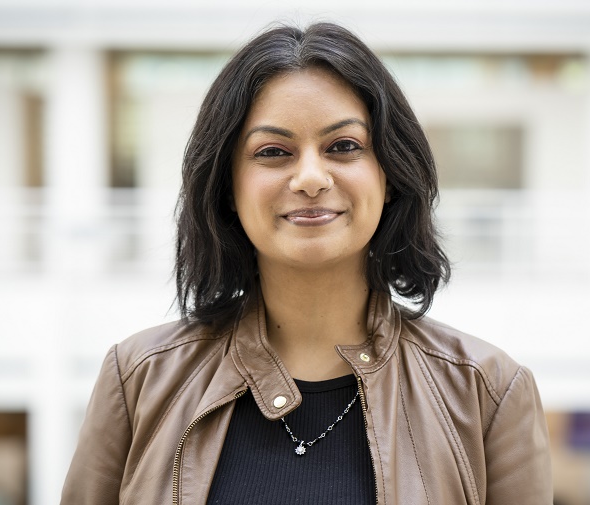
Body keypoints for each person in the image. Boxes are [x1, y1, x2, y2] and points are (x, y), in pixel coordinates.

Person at [61, 22, 552, 504]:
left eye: (344, 146)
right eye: (273, 152)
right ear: (228, 186)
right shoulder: (138, 380)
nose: (311, 178)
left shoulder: (487, 392)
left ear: (390, 173)